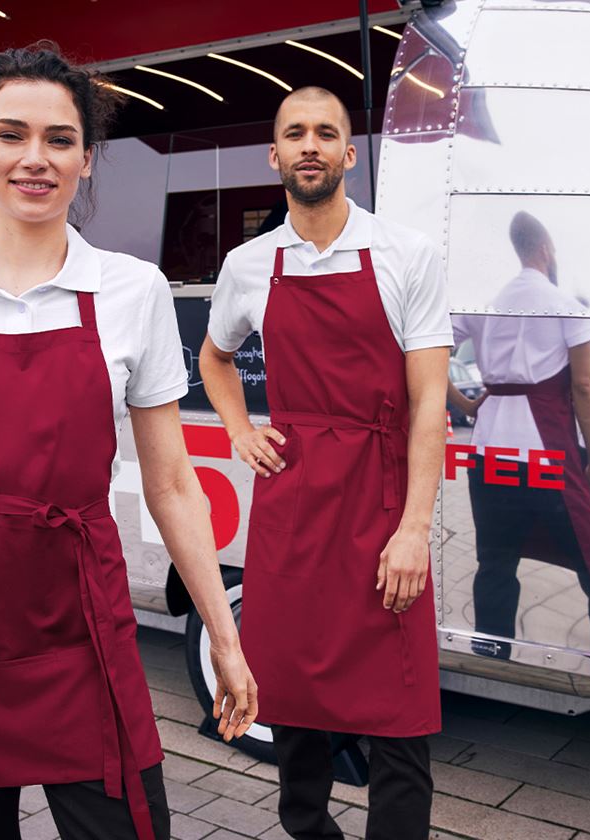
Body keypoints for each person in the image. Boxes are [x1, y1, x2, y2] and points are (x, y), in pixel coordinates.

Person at [0, 44, 257, 840]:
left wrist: (224, 633)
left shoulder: (129, 289)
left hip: (76, 613)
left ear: (84, 160)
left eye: (59, 139)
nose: (34, 159)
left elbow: (173, 483)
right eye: (11, 135)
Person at [199, 86, 451, 840]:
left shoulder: (406, 253)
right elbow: (215, 358)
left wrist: (413, 530)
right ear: (274, 155)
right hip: (295, 503)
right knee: (295, 698)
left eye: (326, 133)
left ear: (349, 154)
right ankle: (309, 830)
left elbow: (429, 402)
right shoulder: (249, 263)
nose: (310, 145)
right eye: (294, 133)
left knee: (400, 714)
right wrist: (240, 428)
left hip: (380, 500)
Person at [449, 212, 590, 680]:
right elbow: (586, 387)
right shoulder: (565, 303)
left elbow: (429, 355)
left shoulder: (485, 302)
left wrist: (466, 404)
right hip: (547, 454)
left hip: (488, 451)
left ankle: (489, 659)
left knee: (494, 562)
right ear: (546, 248)